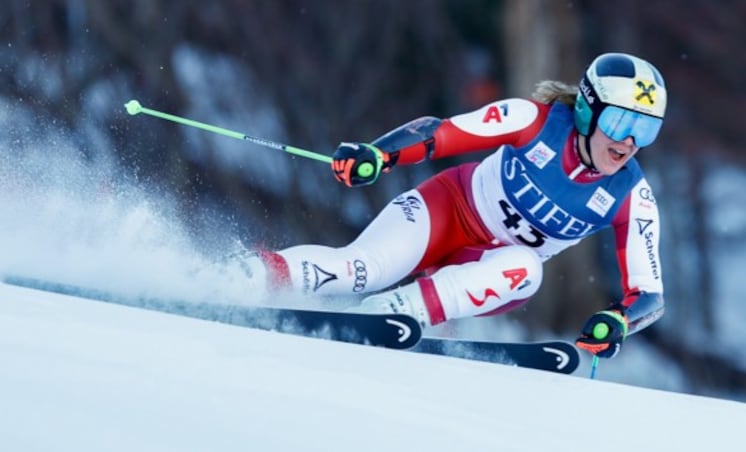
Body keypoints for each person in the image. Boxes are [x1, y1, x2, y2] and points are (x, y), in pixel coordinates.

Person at [254, 52, 666, 359]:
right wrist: (380, 155)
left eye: (645, 129)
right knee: (360, 268)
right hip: (446, 209)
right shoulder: (532, 119)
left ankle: (392, 312)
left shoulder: (632, 194)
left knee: (527, 269)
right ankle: (249, 274)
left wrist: (618, 321)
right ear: (586, 112)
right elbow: (442, 133)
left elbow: (649, 294)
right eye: (620, 123)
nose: (629, 142)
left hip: (492, 266)